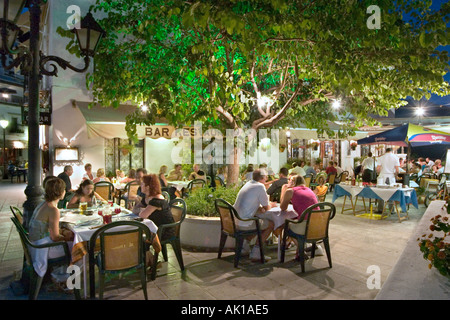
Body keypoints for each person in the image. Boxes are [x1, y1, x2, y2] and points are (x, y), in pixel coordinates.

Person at [233, 169, 276, 261]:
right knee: (270, 224)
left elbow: (252, 203)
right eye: (265, 177)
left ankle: (244, 247)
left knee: (259, 222)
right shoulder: (260, 186)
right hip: (244, 223)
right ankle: (256, 253)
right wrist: (271, 205)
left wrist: (260, 208)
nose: (266, 179)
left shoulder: (248, 184)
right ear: (262, 178)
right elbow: (267, 208)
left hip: (236, 221)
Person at [28, 177, 74, 257]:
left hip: (35, 245)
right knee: (79, 247)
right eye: (64, 189)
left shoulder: (43, 204)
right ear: (60, 192)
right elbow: (55, 237)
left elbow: (48, 229)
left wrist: (63, 232)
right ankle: (71, 269)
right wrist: (68, 238)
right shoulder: (53, 210)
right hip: (42, 249)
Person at [279, 175, 323, 256]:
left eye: (290, 180)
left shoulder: (290, 191)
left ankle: (301, 249)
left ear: (293, 182)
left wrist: (283, 190)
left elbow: (282, 207)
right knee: (294, 219)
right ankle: (301, 250)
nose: (288, 182)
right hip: (319, 225)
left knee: (286, 224)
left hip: (305, 226)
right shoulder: (309, 190)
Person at [132, 174, 175, 241]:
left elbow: (142, 215)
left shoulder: (157, 200)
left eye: (142, 184)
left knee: (137, 237)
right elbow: (134, 211)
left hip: (163, 230)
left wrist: (141, 210)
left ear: (148, 187)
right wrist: (138, 205)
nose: (140, 186)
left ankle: (144, 251)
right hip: (154, 227)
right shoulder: (147, 197)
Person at [376, 148, 400, 213]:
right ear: (392, 151)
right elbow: (397, 170)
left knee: (380, 192)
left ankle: (380, 209)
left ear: (385, 151)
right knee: (391, 192)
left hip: (382, 176)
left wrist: (378, 173)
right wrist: (395, 174)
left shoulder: (381, 157)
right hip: (391, 176)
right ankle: (391, 209)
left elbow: (378, 168)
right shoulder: (396, 157)